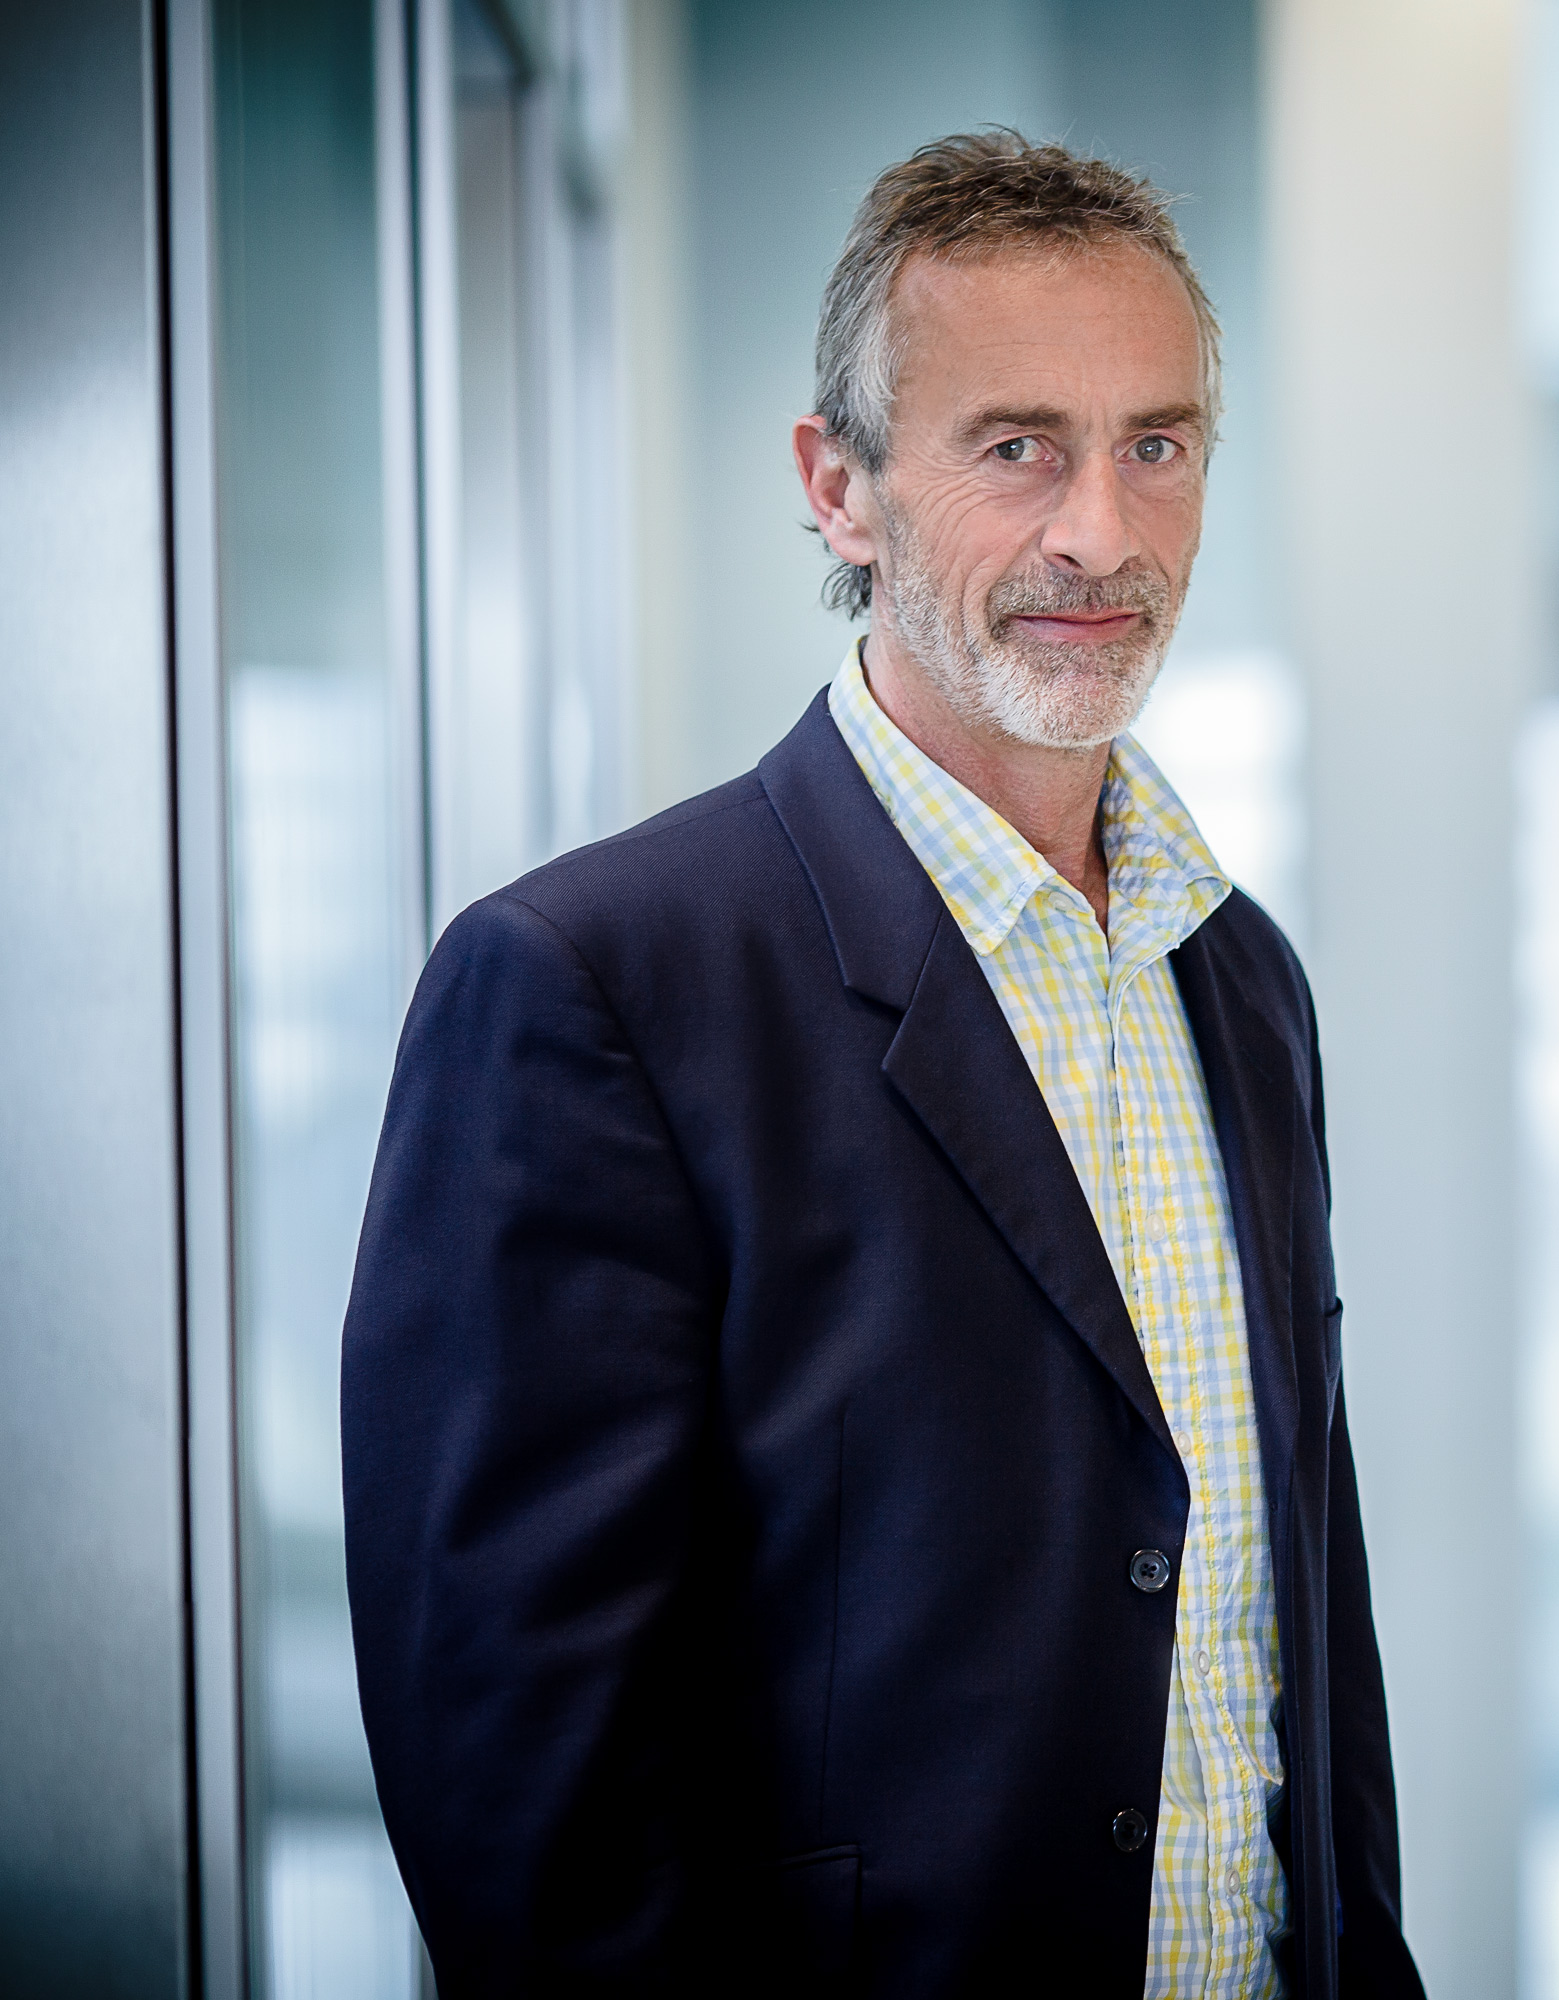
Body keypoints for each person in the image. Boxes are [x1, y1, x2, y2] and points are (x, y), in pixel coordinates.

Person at [342, 130, 1423, 1998]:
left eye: (1157, 445)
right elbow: (523, 1791)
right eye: (1018, 449)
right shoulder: (591, 987)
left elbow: (1293, 1620)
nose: (1102, 533)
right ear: (839, 489)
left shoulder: (1241, 977)